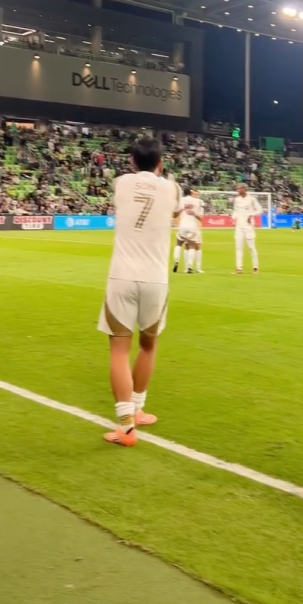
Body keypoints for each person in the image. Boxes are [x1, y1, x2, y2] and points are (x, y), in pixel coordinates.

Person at [98, 137, 182, 447]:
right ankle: (138, 408)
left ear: (132, 161)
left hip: (122, 276)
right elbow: (175, 214)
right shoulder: (173, 189)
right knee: (149, 346)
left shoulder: (120, 183)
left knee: (119, 350)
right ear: (161, 163)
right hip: (156, 279)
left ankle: (127, 427)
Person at [173, 188, 205, 274]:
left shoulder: (180, 200)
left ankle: (176, 261)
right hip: (193, 227)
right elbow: (201, 217)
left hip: (182, 226)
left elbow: (174, 215)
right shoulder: (198, 201)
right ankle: (190, 267)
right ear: (191, 193)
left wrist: (182, 209)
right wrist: (194, 213)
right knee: (192, 246)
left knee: (179, 244)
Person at [232, 184, 261, 274]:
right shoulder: (237, 199)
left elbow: (259, 210)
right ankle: (239, 268)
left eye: (239, 189)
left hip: (248, 226)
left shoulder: (252, 199)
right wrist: (233, 218)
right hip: (239, 226)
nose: (238, 190)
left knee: (251, 247)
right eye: (237, 189)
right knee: (238, 247)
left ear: (244, 189)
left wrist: (251, 215)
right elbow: (235, 210)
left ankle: (255, 267)